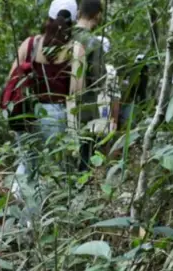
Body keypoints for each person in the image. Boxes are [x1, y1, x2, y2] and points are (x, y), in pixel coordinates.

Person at [11, 0, 77, 184]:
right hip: (56, 115)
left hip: (27, 111)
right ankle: (43, 211)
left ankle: (18, 208)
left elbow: (12, 78)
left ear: (48, 18)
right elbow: (75, 93)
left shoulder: (30, 44)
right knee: (52, 169)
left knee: (27, 163)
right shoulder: (74, 50)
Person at [70, 0, 107, 170]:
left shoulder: (61, 35)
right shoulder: (92, 43)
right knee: (85, 154)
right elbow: (99, 77)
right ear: (97, 15)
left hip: (53, 105)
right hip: (84, 105)